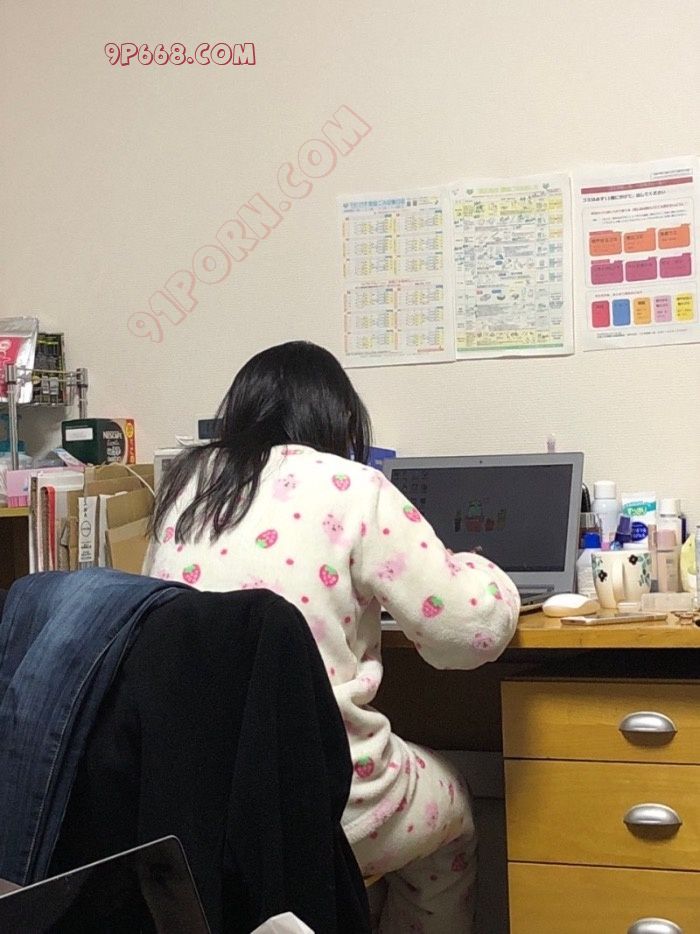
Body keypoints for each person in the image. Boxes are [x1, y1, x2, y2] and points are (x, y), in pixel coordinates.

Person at [145, 341, 520, 934]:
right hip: (325, 800)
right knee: (454, 812)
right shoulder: (352, 486)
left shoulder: (184, 492)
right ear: (341, 419)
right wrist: (487, 574)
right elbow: (468, 633)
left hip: (201, 804)